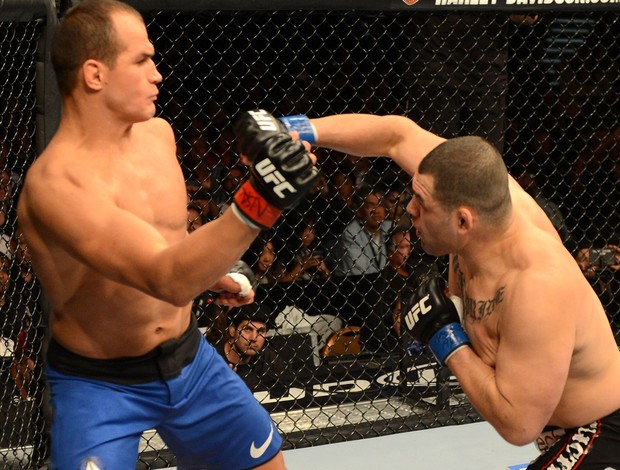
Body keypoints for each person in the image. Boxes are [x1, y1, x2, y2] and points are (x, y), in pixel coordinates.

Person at [16, 1, 318, 468]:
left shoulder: (158, 136)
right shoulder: (57, 184)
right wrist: (262, 197)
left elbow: (162, 246)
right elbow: (166, 277)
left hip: (188, 359)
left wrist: (213, 275)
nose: (157, 73)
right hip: (101, 383)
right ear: (95, 74)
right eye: (142, 60)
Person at [281, 112, 620, 467]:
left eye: (421, 204)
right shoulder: (473, 189)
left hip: (600, 432)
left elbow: (519, 424)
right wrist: (295, 129)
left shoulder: (537, 286)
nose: (409, 210)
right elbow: (395, 134)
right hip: (556, 434)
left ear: (462, 221)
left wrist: (445, 337)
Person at [216, 303, 292, 395]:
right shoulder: (212, 359)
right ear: (232, 330)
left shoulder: (267, 357)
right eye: (247, 329)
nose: (254, 338)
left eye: (261, 331)